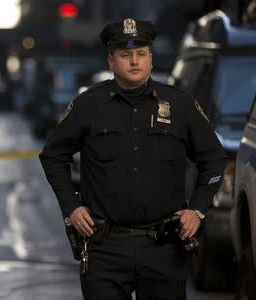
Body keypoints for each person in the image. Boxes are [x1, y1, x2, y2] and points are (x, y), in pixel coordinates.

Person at [39, 18, 228, 300]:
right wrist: (71, 207)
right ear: (111, 61)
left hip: (164, 249)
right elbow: (53, 155)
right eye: (125, 55)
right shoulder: (88, 105)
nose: (134, 61)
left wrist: (197, 209)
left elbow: (213, 159)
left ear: (151, 59)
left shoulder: (179, 105)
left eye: (141, 54)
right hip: (104, 249)